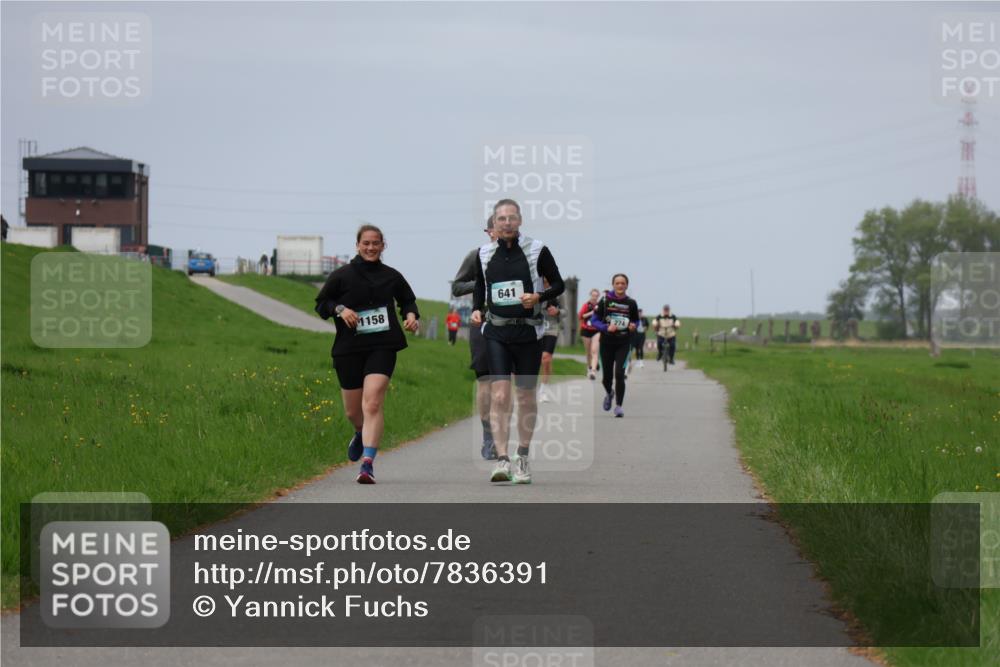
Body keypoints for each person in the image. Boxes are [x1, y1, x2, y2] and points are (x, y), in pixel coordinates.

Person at [315, 224, 420, 484]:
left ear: (383, 246)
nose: (371, 247)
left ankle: (367, 464)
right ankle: (360, 431)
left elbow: (407, 300)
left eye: (375, 243)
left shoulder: (392, 276)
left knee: (372, 402)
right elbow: (322, 303)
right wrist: (340, 309)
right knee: (353, 412)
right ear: (358, 245)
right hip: (348, 348)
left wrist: (410, 315)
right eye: (366, 243)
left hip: (383, 345)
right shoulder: (342, 276)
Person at [471, 199, 564, 484]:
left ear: (520, 221)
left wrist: (538, 297)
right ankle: (502, 459)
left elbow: (558, 284)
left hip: (528, 333)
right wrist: (477, 308)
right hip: (497, 332)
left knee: (525, 397)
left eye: (512, 218)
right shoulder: (484, 253)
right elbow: (480, 285)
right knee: (500, 396)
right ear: (494, 224)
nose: (507, 223)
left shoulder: (537, 249)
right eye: (502, 219)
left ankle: (522, 455)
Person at [452, 216, 500, 459]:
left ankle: (501, 435)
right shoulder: (477, 256)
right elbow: (457, 287)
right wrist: (481, 284)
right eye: (498, 227)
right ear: (489, 231)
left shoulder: (524, 257)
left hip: (513, 325)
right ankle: (488, 435)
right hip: (482, 322)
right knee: (485, 380)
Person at [590, 274, 638, 418]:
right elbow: (594, 320)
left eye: (623, 283)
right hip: (607, 342)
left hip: (624, 343)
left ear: (626, 285)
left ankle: (618, 406)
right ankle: (609, 393)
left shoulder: (631, 303)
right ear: (613, 285)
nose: (620, 285)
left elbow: (636, 321)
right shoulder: (605, 300)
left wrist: (633, 326)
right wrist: (605, 327)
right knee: (607, 377)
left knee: (619, 374)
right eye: (617, 283)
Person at [538, 279, 563, 402]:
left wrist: (558, 311)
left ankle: (543, 390)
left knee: (546, 358)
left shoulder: (556, 293)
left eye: (548, 281)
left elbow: (565, 311)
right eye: (543, 281)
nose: (545, 283)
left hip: (551, 329)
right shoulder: (532, 289)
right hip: (535, 329)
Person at [578, 289, 601, 380]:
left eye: (596, 296)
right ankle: (589, 368)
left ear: (598, 296)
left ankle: (593, 372)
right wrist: (591, 313)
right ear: (590, 295)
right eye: (593, 295)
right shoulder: (586, 305)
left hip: (596, 330)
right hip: (586, 330)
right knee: (588, 352)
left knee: (594, 351)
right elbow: (580, 316)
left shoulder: (600, 306)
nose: (594, 297)